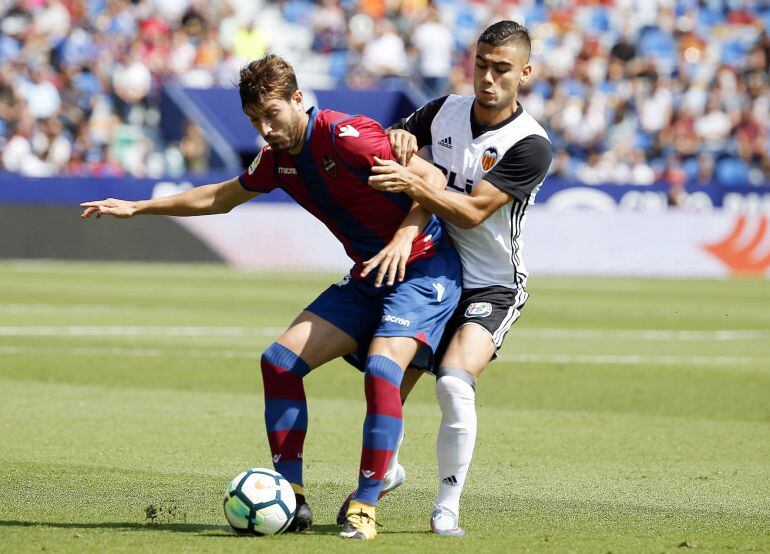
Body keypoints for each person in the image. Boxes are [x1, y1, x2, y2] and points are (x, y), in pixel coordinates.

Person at [80, 54, 462, 541]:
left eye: (273, 114)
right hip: (370, 274)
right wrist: (139, 207)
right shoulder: (278, 160)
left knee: (382, 369)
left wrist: (404, 238)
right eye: (254, 120)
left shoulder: (347, 135)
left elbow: (433, 180)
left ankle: (365, 505)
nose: (265, 128)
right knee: (279, 362)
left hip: (424, 267)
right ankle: (292, 496)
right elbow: (220, 197)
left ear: (298, 99)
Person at [339, 20, 553, 536]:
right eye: (481, 65)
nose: (488, 78)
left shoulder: (530, 144)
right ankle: (386, 471)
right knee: (387, 384)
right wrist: (398, 136)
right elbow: (398, 140)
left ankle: (446, 506)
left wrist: (413, 181)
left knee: (454, 383)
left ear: (525, 73)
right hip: (434, 272)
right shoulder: (443, 111)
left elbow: (473, 212)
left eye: (502, 69)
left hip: (491, 284)